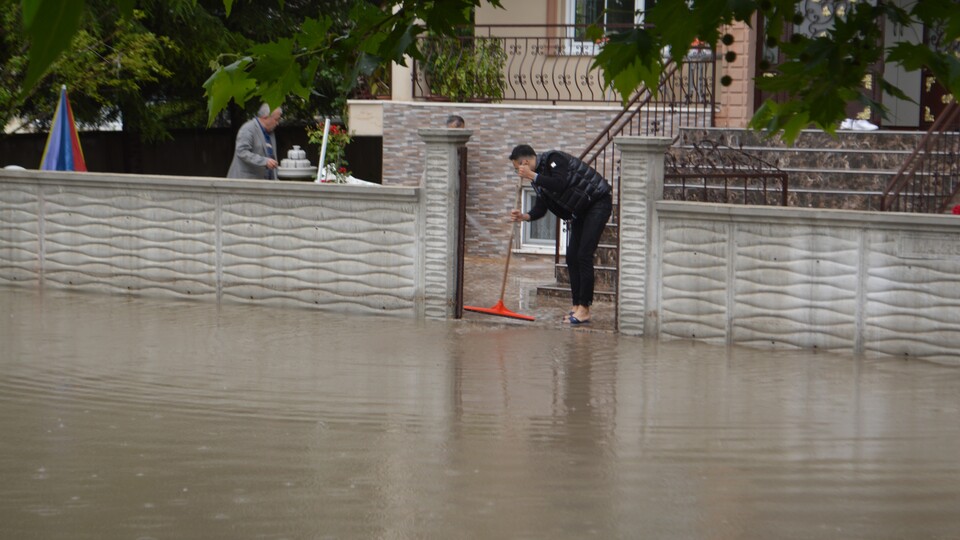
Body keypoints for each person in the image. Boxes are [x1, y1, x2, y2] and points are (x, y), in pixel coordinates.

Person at [508, 144, 612, 325]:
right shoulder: (537, 179)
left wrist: (532, 175)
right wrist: (524, 216)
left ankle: (585, 309)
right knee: (572, 257)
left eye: (518, 168)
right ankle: (576, 306)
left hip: (597, 202)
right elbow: (542, 207)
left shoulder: (554, 160)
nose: (519, 172)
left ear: (524, 162)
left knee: (584, 255)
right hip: (580, 210)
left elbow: (560, 184)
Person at [227, 103, 282, 180]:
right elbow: (242, 152)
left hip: (265, 185)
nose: (277, 123)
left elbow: (272, 158)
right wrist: (264, 161)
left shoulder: (271, 132)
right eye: (276, 119)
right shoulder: (248, 129)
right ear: (265, 117)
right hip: (244, 184)